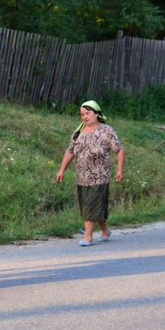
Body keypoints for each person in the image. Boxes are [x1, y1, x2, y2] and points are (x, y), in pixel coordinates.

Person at [55, 100, 125, 247]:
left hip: (100, 176)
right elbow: (70, 152)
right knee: (92, 206)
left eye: (88, 113)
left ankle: (88, 237)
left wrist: (120, 170)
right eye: (82, 114)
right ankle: (105, 231)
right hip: (82, 177)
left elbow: (119, 150)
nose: (85, 117)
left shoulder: (106, 131)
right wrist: (61, 170)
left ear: (96, 113)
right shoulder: (78, 133)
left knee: (90, 205)